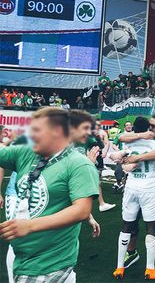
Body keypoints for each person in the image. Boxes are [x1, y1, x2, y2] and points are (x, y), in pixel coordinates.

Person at [0, 107, 99, 282]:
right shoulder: (28, 152)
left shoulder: (79, 164)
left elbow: (81, 210)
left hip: (49, 263)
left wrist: (30, 226)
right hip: (23, 258)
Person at [111, 116, 155, 280]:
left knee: (126, 225)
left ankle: (119, 267)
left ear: (134, 128)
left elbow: (118, 144)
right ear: (149, 128)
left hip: (131, 187)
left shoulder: (128, 143)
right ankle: (150, 269)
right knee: (151, 226)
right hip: (148, 188)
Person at [121, 113, 155, 263]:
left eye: (154, 126)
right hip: (138, 184)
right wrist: (139, 135)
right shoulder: (141, 134)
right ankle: (131, 252)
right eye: (149, 125)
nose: (150, 128)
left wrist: (137, 157)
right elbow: (120, 138)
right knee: (133, 218)